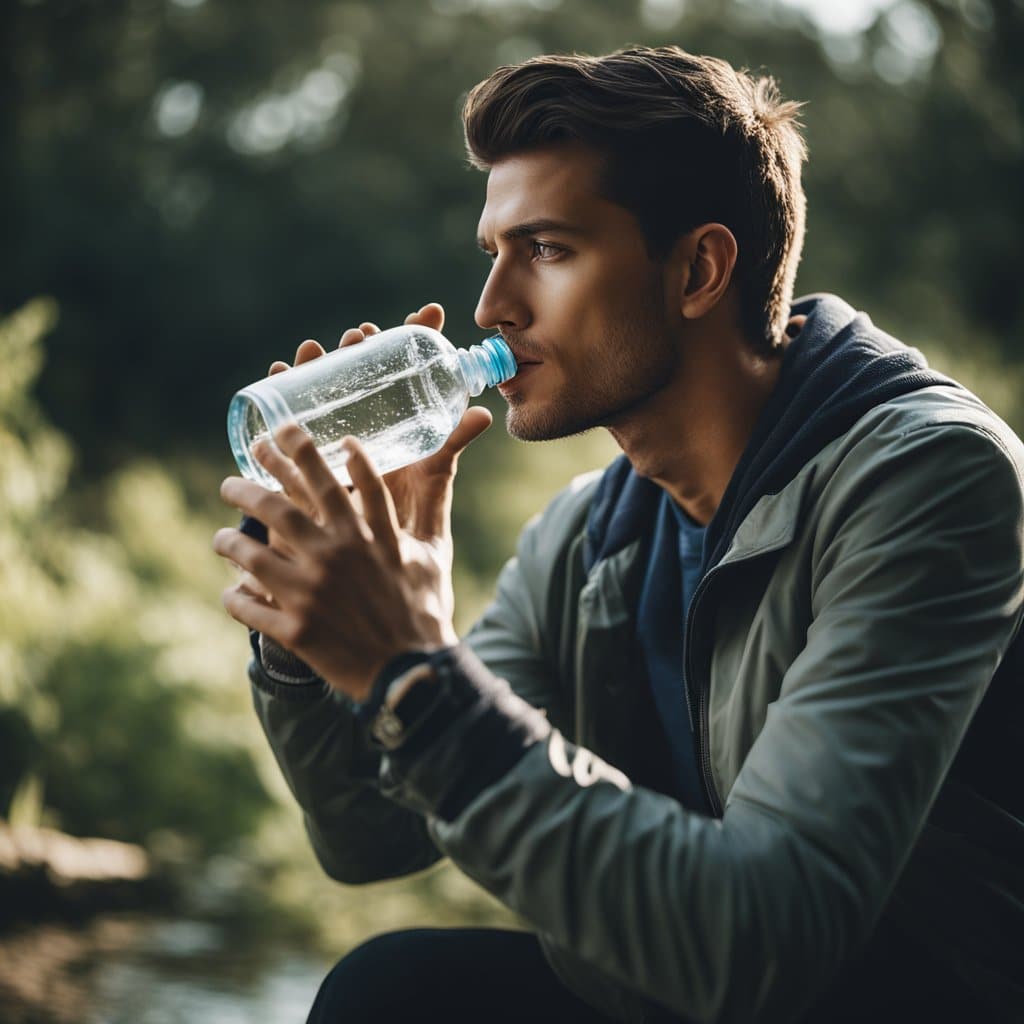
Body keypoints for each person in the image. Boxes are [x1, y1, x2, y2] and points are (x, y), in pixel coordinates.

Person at [211, 46, 1024, 1023]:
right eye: (493, 253)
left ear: (697, 269)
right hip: (674, 996)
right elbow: (375, 841)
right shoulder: (590, 535)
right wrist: (311, 639)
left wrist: (419, 673)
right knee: (388, 995)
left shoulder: (928, 479)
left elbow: (772, 939)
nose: (490, 307)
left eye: (546, 249)